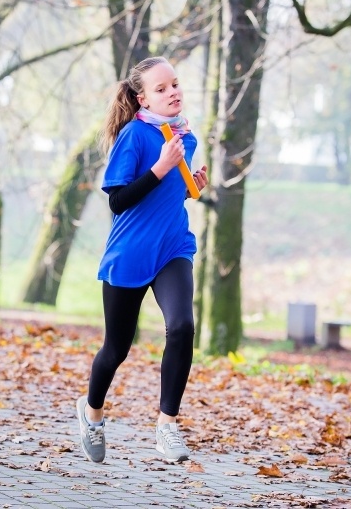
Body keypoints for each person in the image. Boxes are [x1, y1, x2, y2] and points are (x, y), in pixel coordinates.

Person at [76, 56, 208, 464]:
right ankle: (92, 413)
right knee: (116, 349)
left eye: (175, 84)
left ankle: (167, 426)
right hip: (130, 254)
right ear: (142, 98)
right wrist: (160, 167)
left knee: (182, 327)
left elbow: (166, 195)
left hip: (172, 248)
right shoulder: (134, 136)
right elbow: (119, 200)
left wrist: (189, 187)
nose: (173, 92)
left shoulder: (185, 138)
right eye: (162, 88)